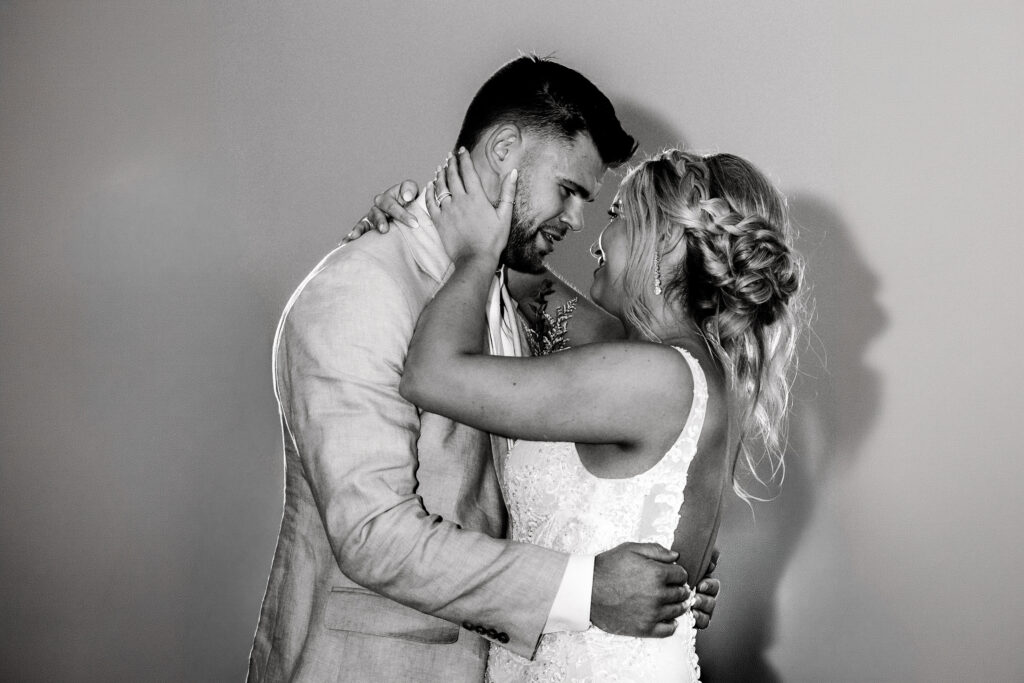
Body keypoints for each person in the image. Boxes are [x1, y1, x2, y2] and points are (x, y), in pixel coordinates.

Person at [248, 55, 719, 682]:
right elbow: (372, 534)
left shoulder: (509, 285)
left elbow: (638, 376)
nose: (577, 220)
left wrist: (676, 554)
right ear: (503, 150)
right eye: (569, 190)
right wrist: (586, 589)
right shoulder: (361, 289)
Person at [363, 146, 802, 679]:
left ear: (665, 239)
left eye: (618, 216)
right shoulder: (658, 359)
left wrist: (474, 257)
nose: (597, 239)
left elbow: (431, 375)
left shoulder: (654, 376)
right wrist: (413, 228)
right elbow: (525, 280)